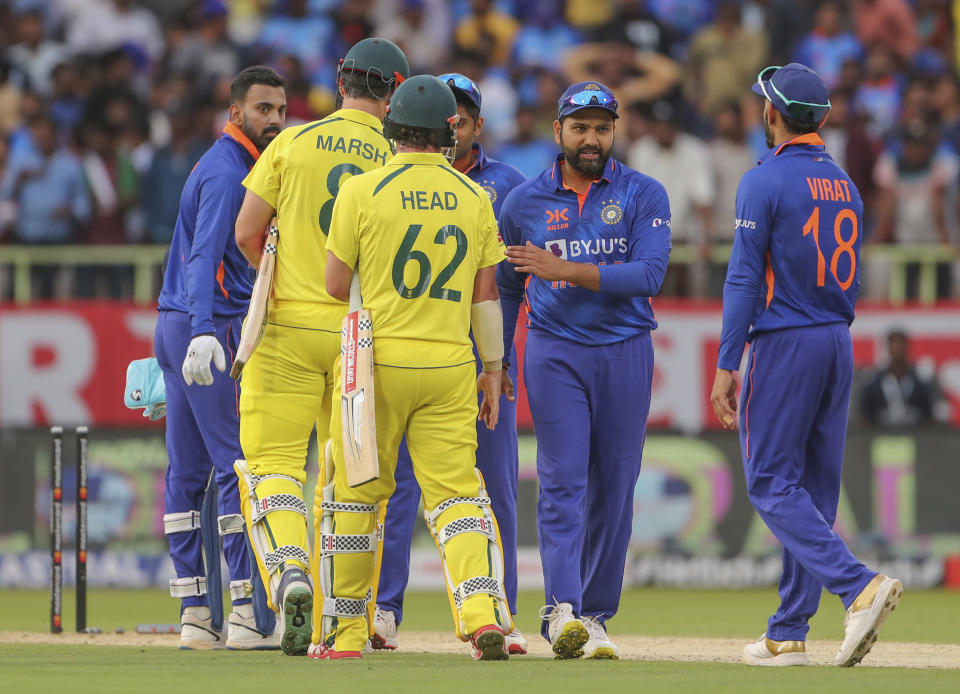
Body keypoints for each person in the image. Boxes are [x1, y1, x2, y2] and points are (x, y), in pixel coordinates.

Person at [710, 62, 903, 668]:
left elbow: (744, 277)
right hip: (837, 339)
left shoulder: (763, 180)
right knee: (813, 491)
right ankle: (789, 629)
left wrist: (727, 359)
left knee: (769, 480)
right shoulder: (845, 182)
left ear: (773, 114)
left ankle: (858, 587)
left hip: (787, 338)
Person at [315, 74, 513, 661]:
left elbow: (333, 285)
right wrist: (494, 370)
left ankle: (347, 634)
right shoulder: (477, 197)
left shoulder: (362, 191)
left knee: (356, 497)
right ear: (448, 132)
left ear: (391, 128)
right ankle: (482, 618)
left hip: (376, 366)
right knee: (457, 497)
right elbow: (486, 298)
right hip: (451, 365)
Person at [232, 38, 409, 657]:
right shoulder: (397, 155)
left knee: (274, 464)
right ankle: (348, 619)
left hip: (285, 325)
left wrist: (282, 280)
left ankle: (288, 572)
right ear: (394, 91)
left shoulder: (291, 141)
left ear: (340, 82)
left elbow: (247, 232)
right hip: (362, 333)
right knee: (352, 478)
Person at [498, 81, 671, 660]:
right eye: (580, 128)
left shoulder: (644, 193)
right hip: (555, 350)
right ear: (559, 132)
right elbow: (503, 287)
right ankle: (562, 608)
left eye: (601, 128)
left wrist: (563, 268)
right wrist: (496, 357)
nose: (591, 139)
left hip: (625, 351)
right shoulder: (523, 202)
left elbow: (648, 276)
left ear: (614, 132)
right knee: (562, 482)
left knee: (616, 491)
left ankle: (596, 616)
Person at [370, 72, 527, 654]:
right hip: (448, 353)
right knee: (402, 488)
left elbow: (510, 284)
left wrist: (500, 359)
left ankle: (497, 613)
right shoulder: (398, 182)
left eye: (463, 115)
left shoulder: (509, 186)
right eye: (447, 114)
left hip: (477, 359)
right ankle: (384, 609)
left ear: (476, 124)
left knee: (494, 486)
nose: (453, 123)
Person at [153, 65, 287, 650]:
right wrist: (205, 330)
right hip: (208, 323)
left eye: (281, 110)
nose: (275, 120)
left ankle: (193, 614)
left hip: (176, 321)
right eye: (263, 110)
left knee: (187, 471)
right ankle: (244, 613)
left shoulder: (229, 164)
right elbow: (203, 257)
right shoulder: (231, 173)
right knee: (237, 463)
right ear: (236, 113)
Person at [860, 329, 943, 427]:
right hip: (880, 438)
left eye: (901, 347)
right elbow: (864, 417)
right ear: (888, 349)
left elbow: (929, 417)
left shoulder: (921, 384)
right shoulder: (874, 385)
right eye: (894, 347)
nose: (897, 351)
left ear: (907, 349)